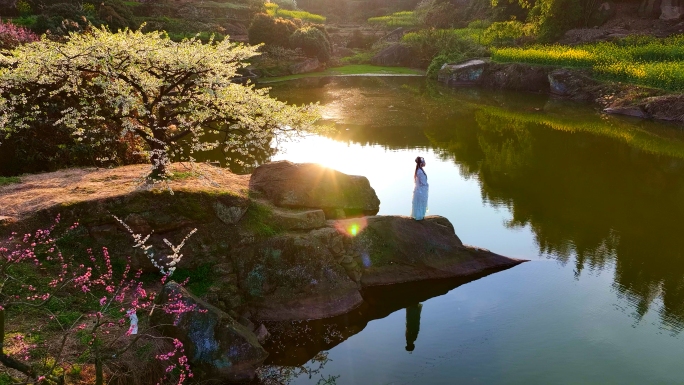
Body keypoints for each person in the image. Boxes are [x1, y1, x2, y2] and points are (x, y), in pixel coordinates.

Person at [411, 156, 428, 220]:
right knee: (420, 203)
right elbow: (423, 182)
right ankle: (419, 216)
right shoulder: (420, 171)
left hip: (421, 190)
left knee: (421, 203)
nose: (425, 163)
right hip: (420, 191)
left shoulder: (419, 170)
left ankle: (421, 215)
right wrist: (426, 185)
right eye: (424, 162)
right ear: (421, 163)